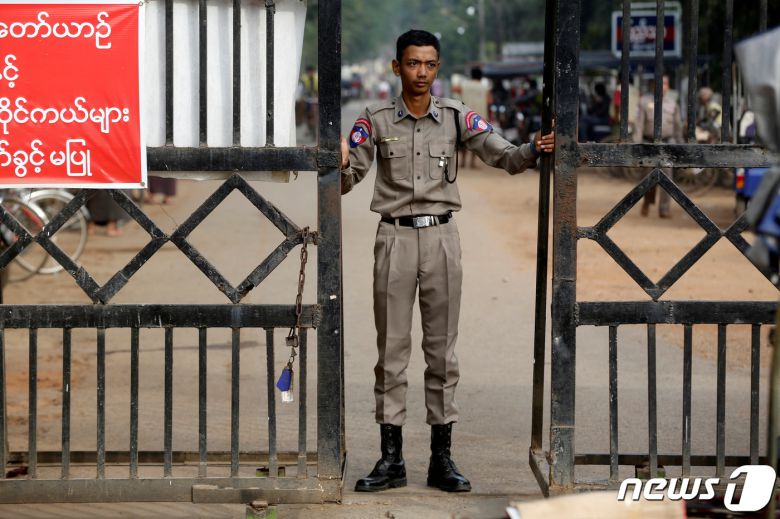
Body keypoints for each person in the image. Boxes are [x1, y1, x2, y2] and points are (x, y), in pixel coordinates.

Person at [339, 30, 555, 493]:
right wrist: (334, 160)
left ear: (438, 68)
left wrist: (533, 150)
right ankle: (391, 458)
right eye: (413, 64)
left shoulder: (456, 116)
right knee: (391, 353)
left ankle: (442, 458)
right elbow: (348, 177)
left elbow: (502, 155)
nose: (422, 73)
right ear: (396, 67)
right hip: (394, 241)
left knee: (441, 352)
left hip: (441, 239)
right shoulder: (374, 119)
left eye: (430, 64)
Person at [633, 74, 683, 218]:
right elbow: (638, 125)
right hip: (648, 143)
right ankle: (647, 202)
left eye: (665, 84)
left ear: (668, 86)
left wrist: (681, 146)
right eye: (659, 83)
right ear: (653, 85)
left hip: (667, 143)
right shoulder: (644, 101)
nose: (662, 86)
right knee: (648, 177)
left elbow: (678, 126)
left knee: (667, 178)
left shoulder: (673, 104)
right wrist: (637, 146)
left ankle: (664, 209)